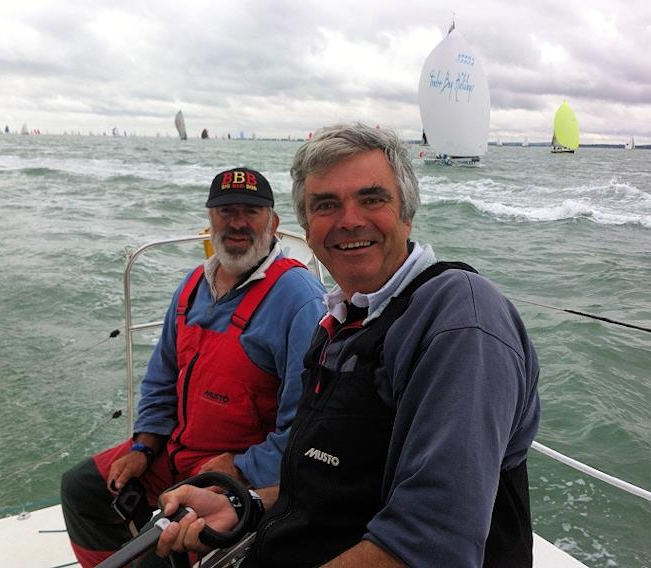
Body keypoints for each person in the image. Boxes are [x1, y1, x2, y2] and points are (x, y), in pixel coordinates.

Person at [154, 124, 541, 567]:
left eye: (372, 198)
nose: (349, 219)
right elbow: (337, 480)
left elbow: (432, 546)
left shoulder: (459, 321)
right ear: (307, 228)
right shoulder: (343, 318)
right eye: (326, 205)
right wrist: (248, 506)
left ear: (407, 214)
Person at [60, 167, 327, 567]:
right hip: (175, 452)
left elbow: (305, 426)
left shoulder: (299, 299)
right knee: (82, 489)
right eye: (225, 210)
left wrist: (240, 467)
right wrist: (143, 445)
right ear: (209, 219)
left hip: (239, 473)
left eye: (251, 211)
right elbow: (161, 378)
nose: (237, 222)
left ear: (272, 223)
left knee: (156, 552)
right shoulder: (192, 286)